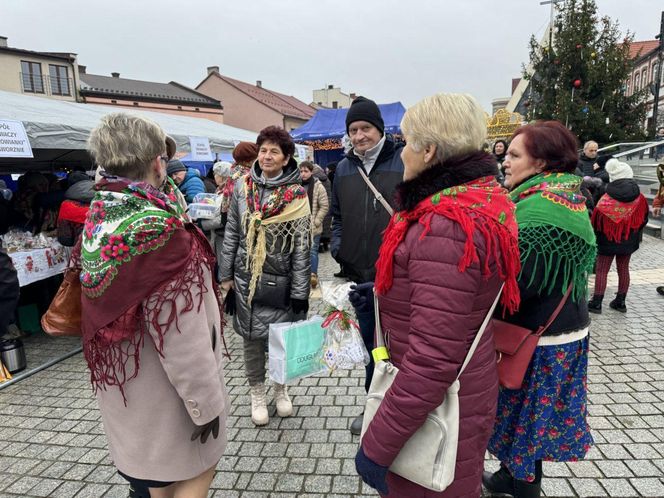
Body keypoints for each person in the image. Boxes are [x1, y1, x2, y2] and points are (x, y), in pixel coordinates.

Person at [354, 93, 521, 498]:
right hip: (465, 388)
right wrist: (382, 300)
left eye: (407, 143)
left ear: (428, 151)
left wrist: (376, 447)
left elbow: (433, 360)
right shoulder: (476, 199)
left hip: (439, 406)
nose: (403, 155)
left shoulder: (444, 225)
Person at [82, 113, 230, 498]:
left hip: (129, 390)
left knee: (156, 482)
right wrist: (207, 405)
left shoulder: (100, 215)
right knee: (198, 469)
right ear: (157, 163)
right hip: (170, 396)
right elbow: (183, 336)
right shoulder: (160, 231)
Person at [483, 121, 596, 498]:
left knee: (528, 423)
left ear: (542, 163)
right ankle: (507, 476)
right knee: (527, 420)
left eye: (515, 155)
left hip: (542, 338)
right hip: (561, 329)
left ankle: (524, 490)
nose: (506, 162)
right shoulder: (565, 194)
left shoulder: (538, 209)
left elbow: (521, 286)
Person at [219, 126, 311, 427]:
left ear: (286, 158)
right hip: (246, 279)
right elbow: (231, 232)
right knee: (251, 340)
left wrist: (300, 292)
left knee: (280, 340)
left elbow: (301, 245)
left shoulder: (297, 194)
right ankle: (256, 393)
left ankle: (281, 390)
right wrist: (226, 276)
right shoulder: (243, 189)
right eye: (263, 150)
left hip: (281, 278)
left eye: (274, 151)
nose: (267, 155)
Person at [330, 96, 404, 435]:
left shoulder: (403, 161)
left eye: (366, 129)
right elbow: (338, 215)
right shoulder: (344, 167)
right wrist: (339, 246)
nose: (359, 136)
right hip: (360, 273)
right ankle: (372, 406)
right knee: (372, 345)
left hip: (398, 273)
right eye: (354, 130)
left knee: (398, 345)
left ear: (380, 129)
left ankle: (401, 412)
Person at [587, 159, 649, 314]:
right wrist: (631, 232)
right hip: (629, 238)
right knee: (623, 269)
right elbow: (643, 219)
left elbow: (595, 220)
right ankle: (620, 302)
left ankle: (596, 302)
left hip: (606, 239)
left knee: (602, 270)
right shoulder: (639, 197)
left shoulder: (605, 197)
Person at [299, 161, 329, 289]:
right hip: (298, 225)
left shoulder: (318, 186)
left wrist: (317, 221)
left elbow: (324, 206)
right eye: (301, 171)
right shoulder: (296, 186)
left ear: (311, 172)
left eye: (306, 171)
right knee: (299, 252)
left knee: (312, 251)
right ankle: (301, 277)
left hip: (313, 226)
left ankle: (313, 276)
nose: (303, 174)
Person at [200, 161, 233, 269]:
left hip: (224, 236)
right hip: (216, 236)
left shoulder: (229, 192)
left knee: (224, 266)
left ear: (223, 176)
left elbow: (224, 218)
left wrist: (203, 224)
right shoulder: (219, 190)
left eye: (216, 174)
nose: (214, 177)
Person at [56, 171, 95, 247]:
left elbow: (65, 240)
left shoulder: (66, 205)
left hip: (82, 252)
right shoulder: (103, 201)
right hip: (107, 252)